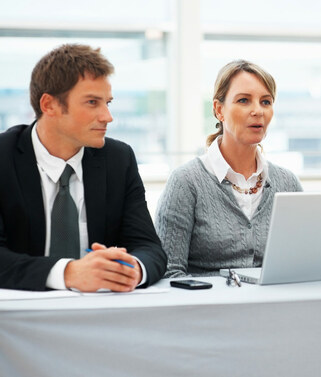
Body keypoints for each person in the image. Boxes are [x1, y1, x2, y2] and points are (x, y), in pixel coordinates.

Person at [0, 44, 167, 292]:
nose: (107, 116)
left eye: (107, 102)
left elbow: (149, 248)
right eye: (92, 102)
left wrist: (131, 269)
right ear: (49, 105)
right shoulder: (3, 157)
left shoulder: (119, 159)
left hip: (98, 314)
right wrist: (68, 273)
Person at [156, 60, 302, 278]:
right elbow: (170, 273)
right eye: (244, 100)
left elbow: (302, 264)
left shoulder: (287, 183)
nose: (257, 111)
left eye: (266, 102)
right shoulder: (186, 182)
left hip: (274, 308)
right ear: (219, 110)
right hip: (207, 308)